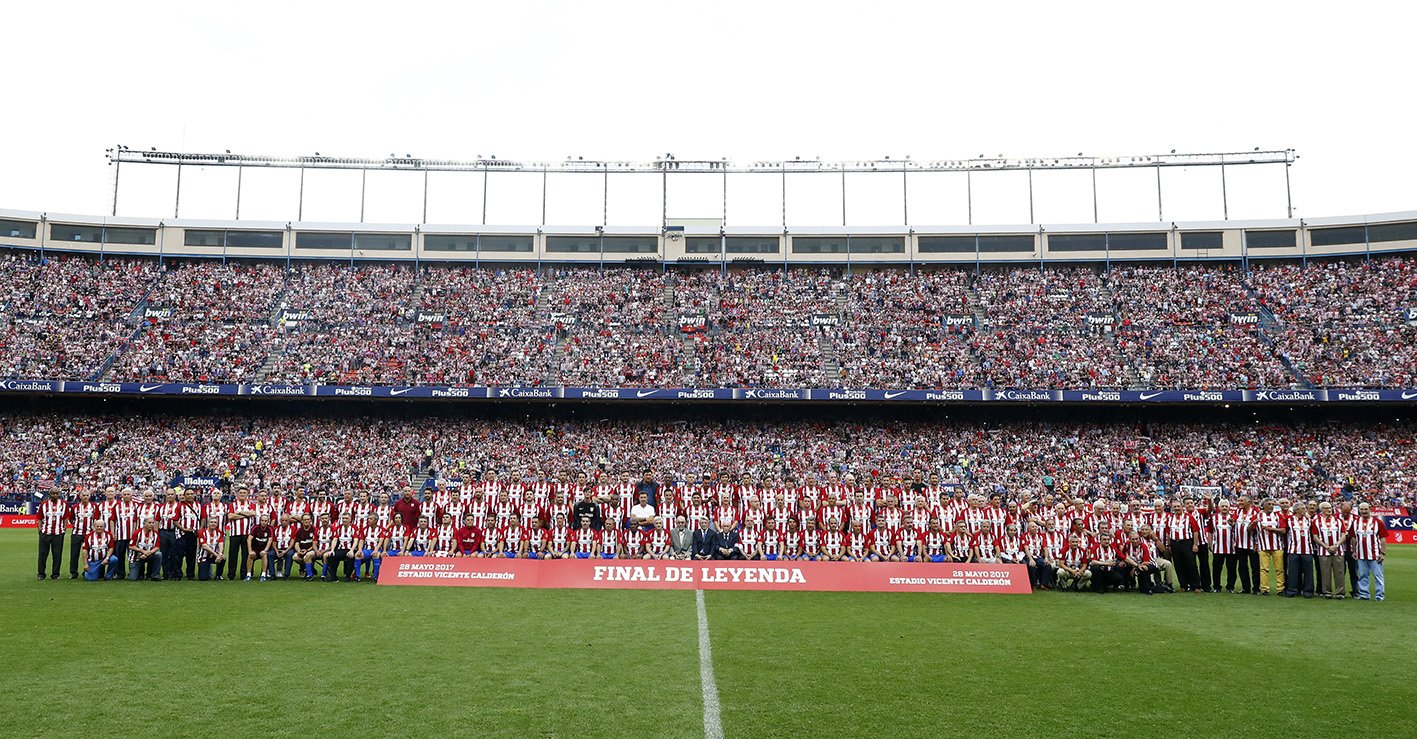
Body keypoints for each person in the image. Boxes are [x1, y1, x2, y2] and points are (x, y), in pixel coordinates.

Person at [1350, 504, 1386, 602]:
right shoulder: (1355, 522)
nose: (1364, 511)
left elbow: (1383, 538)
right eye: (1361, 509)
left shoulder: (1377, 522)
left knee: (1378, 576)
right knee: (1363, 575)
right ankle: (1364, 594)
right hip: (1361, 554)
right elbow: (1353, 537)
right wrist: (1354, 551)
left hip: (1375, 554)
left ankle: (1379, 596)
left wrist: (1382, 553)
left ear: (1370, 509)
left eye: (1365, 509)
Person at [1313, 502, 1347, 599]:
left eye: (1330, 507)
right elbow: (1315, 537)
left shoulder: (1338, 521)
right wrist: (1327, 547)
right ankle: (1327, 592)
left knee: (1339, 572)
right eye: (1326, 508)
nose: (1329, 509)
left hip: (1338, 550)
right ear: (1321, 510)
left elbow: (1343, 535)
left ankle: (1340, 592)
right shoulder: (1316, 521)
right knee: (1325, 573)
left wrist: (1336, 545)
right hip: (1323, 551)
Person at [1282, 502, 1316, 599]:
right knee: (1293, 572)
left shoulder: (1309, 520)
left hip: (1307, 550)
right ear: (1296, 510)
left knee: (1308, 572)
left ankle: (1308, 591)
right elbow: (1284, 531)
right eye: (1303, 508)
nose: (1305, 510)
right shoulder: (1289, 519)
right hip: (1293, 549)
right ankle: (1292, 590)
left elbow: (1313, 533)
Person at [1254, 498, 1287, 596]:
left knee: (1280, 569)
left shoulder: (1277, 516)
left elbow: (1283, 530)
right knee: (1264, 569)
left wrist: (1270, 529)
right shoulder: (1258, 515)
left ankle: (1280, 589)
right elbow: (1249, 529)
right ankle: (1264, 589)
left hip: (1277, 546)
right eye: (1269, 504)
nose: (1271, 506)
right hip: (1263, 546)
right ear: (1263, 505)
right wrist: (1252, 524)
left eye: (1272, 504)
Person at [37, 488, 68, 581]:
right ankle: (41, 574)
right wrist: (40, 529)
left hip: (58, 533)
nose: (55, 495)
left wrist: (64, 528)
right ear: (49, 494)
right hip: (45, 532)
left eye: (57, 493)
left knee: (57, 554)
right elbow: (39, 518)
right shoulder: (44, 504)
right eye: (53, 494)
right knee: (42, 554)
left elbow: (65, 517)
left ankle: (55, 574)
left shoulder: (63, 504)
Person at [248, 513, 273, 581]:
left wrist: (265, 550)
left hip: (264, 550)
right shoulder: (255, 528)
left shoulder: (270, 529)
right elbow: (249, 538)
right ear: (260, 521)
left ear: (268, 522)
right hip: (255, 549)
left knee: (264, 555)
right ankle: (248, 575)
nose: (264, 522)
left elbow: (270, 540)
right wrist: (250, 551)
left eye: (265, 521)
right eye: (262, 520)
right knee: (250, 555)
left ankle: (263, 575)